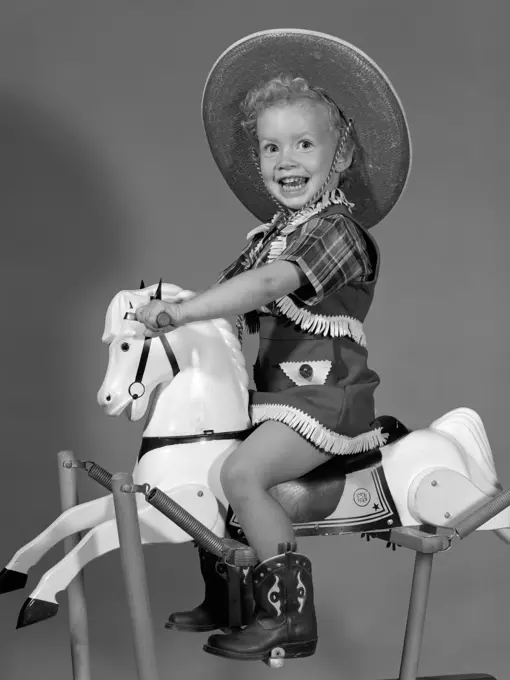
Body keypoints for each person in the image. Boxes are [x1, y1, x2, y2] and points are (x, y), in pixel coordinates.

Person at [135, 29, 411, 662]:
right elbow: (231, 297)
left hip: (324, 399)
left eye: (304, 144)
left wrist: (179, 311)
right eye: (271, 146)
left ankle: (290, 617)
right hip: (274, 397)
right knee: (207, 463)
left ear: (339, 156)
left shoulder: (337, 233)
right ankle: (230, 594)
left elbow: (266, 286)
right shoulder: (268, 235)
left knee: (240, 473)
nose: (286, 159)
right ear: (257, 161)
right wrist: (189, 321)